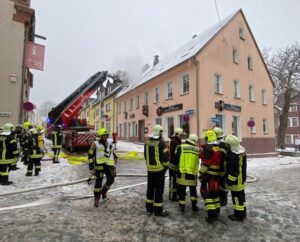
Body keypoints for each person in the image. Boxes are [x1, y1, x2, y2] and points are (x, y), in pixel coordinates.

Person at [144, 124, 169, 216]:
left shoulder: (147, 142)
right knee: (158, 191)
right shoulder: (161, 143)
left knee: (150, 189)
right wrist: (164, 169)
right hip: (159, 172)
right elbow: (166, 159)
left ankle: (149, 209)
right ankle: (158, 211)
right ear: (160, 134)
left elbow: (145, 156)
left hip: (150, 171)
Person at [88, 128, 117, 207]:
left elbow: (112, 152)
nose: (105, 137)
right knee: (98, 183)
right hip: (99, 166)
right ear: (100, 136)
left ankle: (104, 192)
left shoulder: (110, 142)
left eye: (106, 135)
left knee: (111, 179)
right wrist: (91, 168)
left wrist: (115, 159)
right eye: (103, 136)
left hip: (108, 165)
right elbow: (90, 156)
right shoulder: (95, 144)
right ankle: (96, 199)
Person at [199, 130, 224, 223]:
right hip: (216, 177)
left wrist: (200, 173)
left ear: (206, 138)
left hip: (208, 177)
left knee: (205, 193)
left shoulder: (208, 148)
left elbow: (206, 163)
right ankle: (217, 211)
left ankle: (212, 214)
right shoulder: (217, 148)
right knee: (215, 195)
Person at [224, 135, 247, 221]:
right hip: (241, 179)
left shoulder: (232, 155)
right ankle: (243, 213)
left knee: (237, 199)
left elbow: (233, 171)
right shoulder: (241, 152)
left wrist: (229, 181)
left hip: (236, 182)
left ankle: (238, 216)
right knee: (241, 199)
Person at [175, 134, 200, 212]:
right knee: (193, 190)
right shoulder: (197, 149)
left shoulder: (180, 147)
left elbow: (175, 157)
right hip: (193, 173)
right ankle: (194, 206)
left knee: (182, 190)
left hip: (182, 172)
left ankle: (182, 206)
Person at [212, 126, 229, 206]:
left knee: (222, 185)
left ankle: (223, 200)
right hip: (222, 167)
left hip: (222, 168)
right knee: (221, 184)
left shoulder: (221, 144)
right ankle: (222, 199)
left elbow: (221, 157)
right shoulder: (223, 142)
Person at [168, 127, 183, 201]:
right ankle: (172, 196)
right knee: (173, 180)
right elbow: (175, 154)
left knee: (175, 179)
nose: (181, 136)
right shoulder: (175, 142)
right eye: (181, 134)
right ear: (178, 134)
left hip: (175, 163)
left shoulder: (175, 140)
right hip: (173, 164)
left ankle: (175, 193)